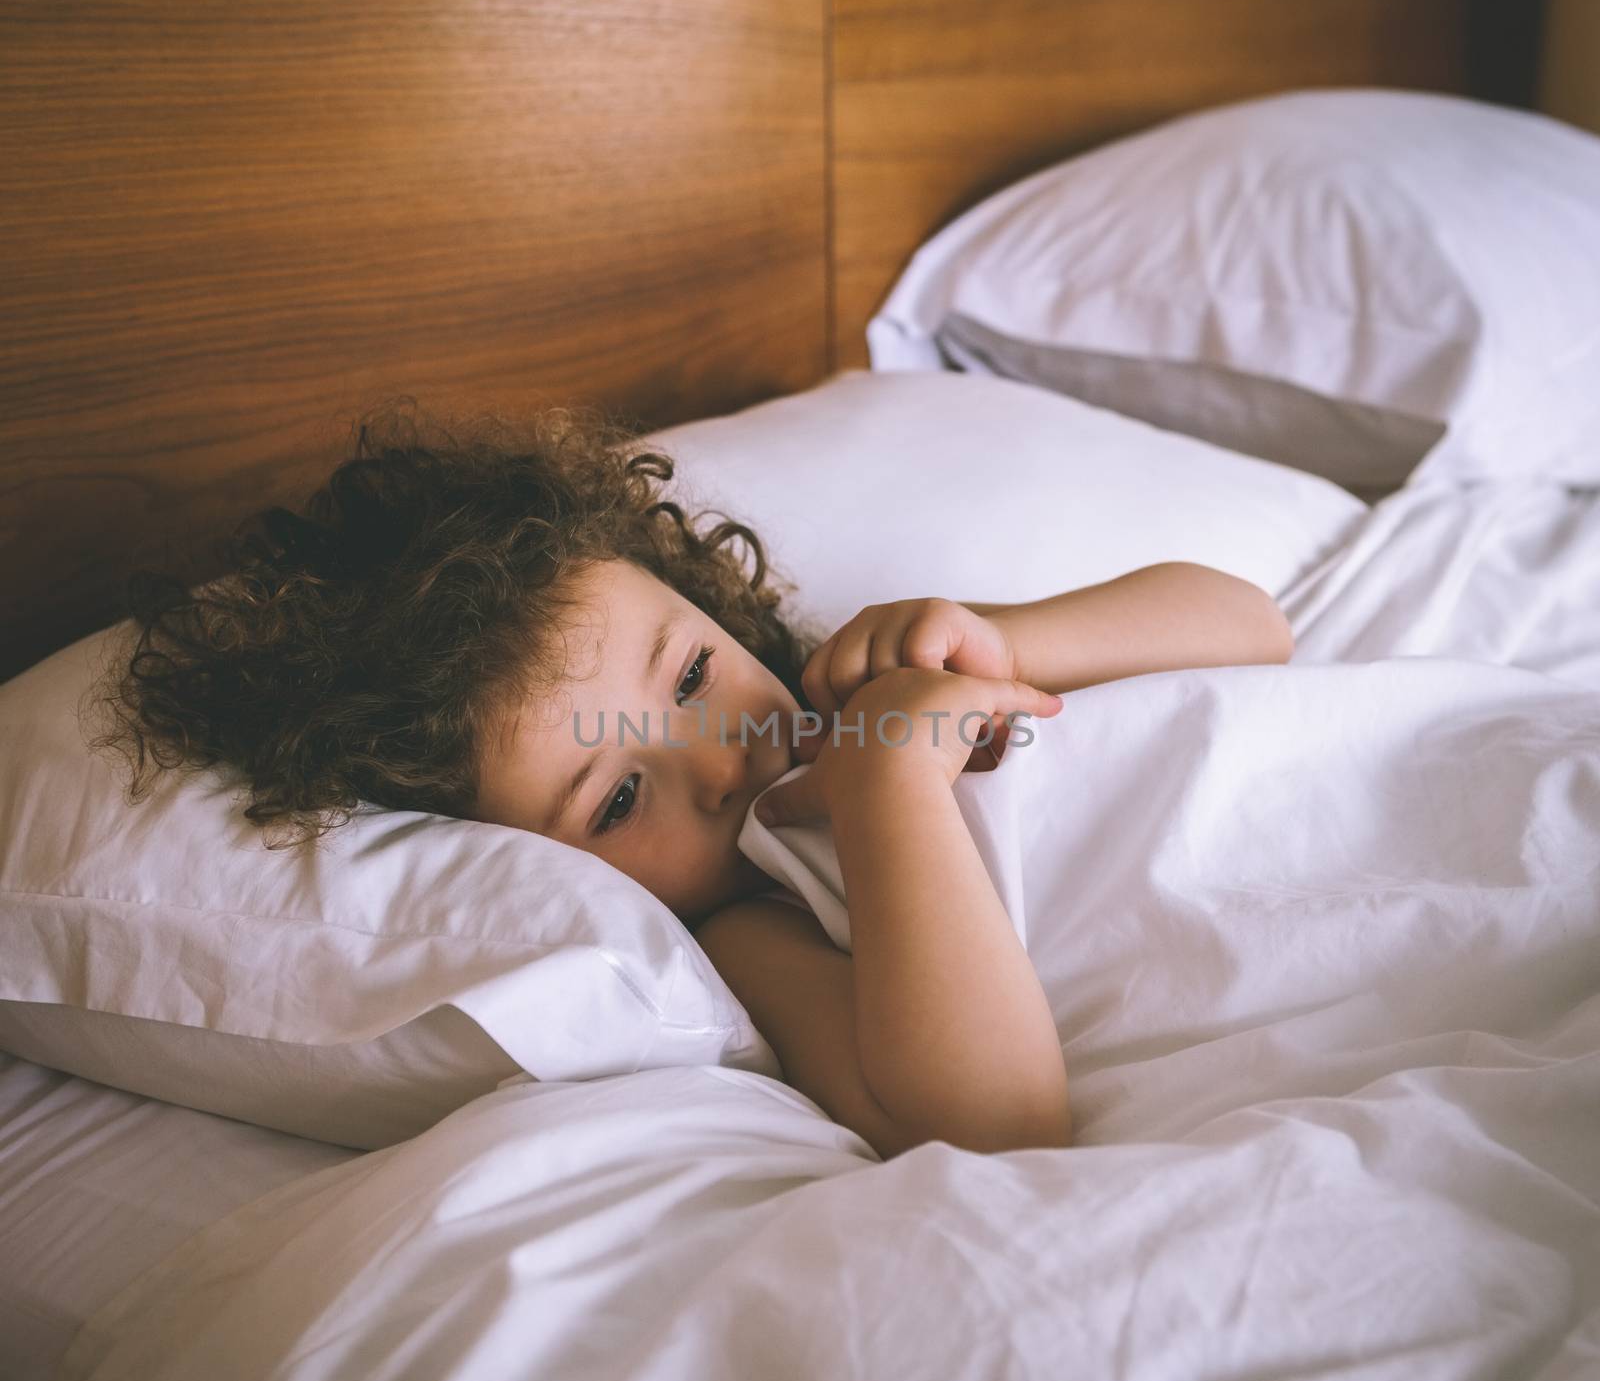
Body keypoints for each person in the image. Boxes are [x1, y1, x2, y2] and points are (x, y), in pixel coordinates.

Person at [96, 404, 1294, 1162]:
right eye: (614, 800)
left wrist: (1009, 640)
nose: (720, 758)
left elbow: (1254, 630)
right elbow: (993, 1123)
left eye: (689, 672)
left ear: (708, 606)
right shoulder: (753, 932)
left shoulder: (870, 667)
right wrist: (890, 794)